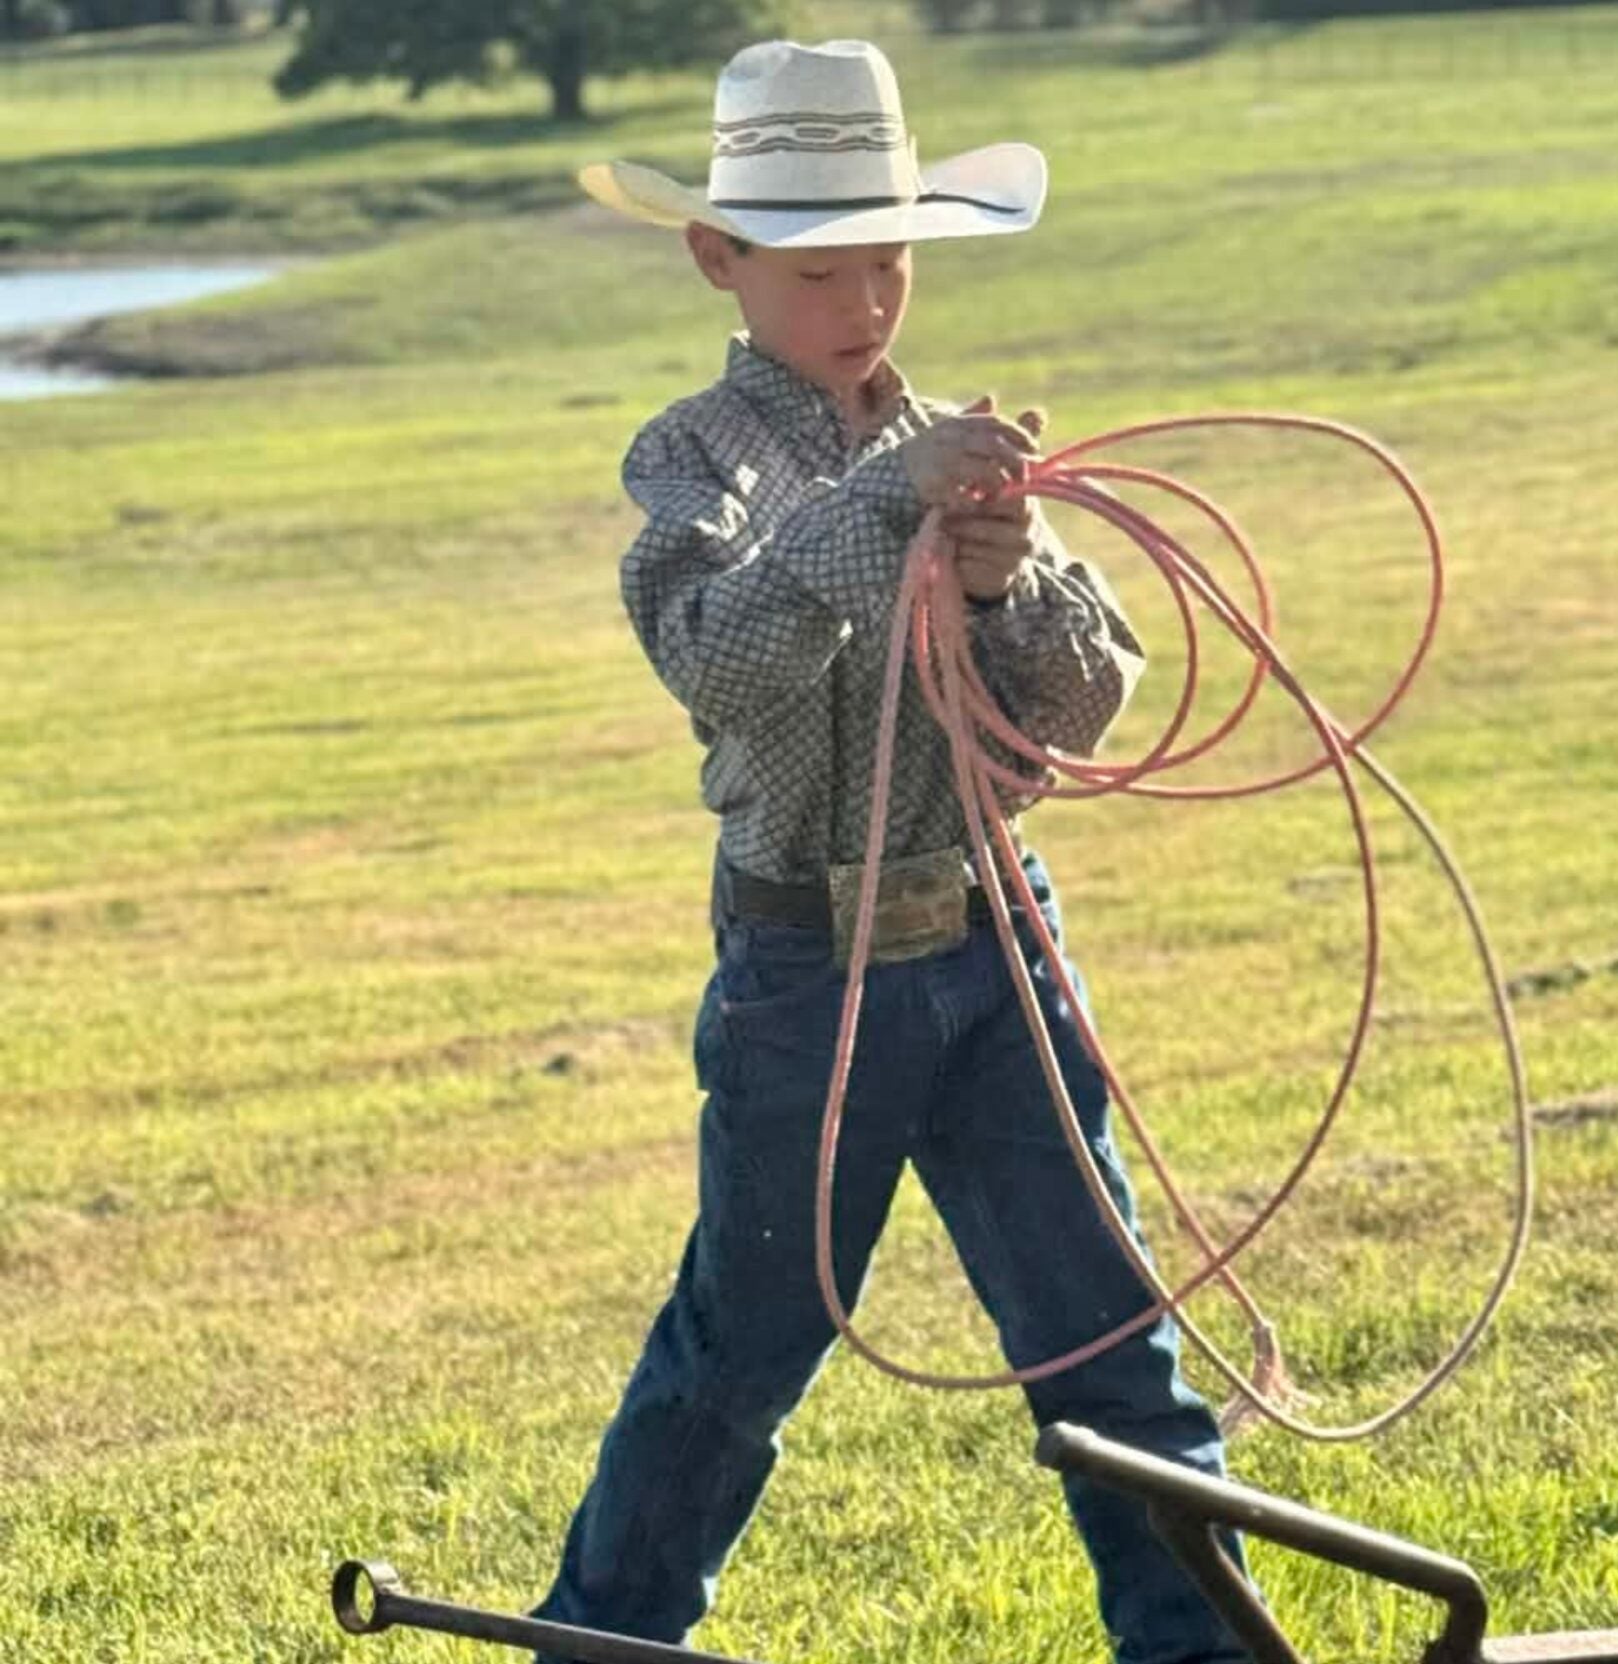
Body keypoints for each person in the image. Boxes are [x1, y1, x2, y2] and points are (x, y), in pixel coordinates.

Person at [535, 38, 1243, 1664]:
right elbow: (722, 657)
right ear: (721, 260)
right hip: (809, 974)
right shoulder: (692, 458)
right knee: (744, 1349)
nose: (865, 300)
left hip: (997, 944)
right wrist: (888, 508)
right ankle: (606, 1638)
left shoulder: (962, 447)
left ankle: (1200, 1647)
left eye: (893, 259)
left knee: (1110, 1337)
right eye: (821, 266)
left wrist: (1005, 581)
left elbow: (1080, 711)